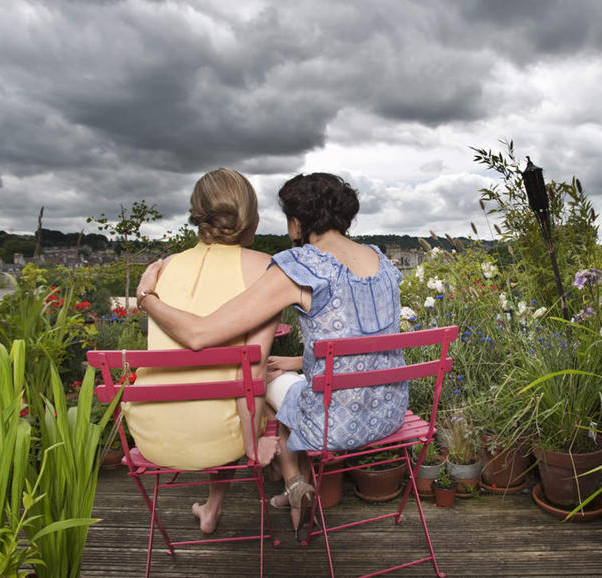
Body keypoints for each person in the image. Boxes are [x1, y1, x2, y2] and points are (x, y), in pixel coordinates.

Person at [136, 172, 407, 537]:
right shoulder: (381, 261)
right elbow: (363, 341)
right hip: (389, 412)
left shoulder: (297, 266)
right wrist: (298, 362)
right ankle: (292, 484)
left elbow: (200, 334)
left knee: (262, 379)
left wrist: (147, 298)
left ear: (297, 221)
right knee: (287, 382)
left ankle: (293, 483)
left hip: (334, 424)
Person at [127, 168, 280, 534]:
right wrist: (253, 446)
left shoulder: (161, 270)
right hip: (221, 430)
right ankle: (291, 486)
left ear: (198, 213)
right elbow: (253, 374)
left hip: (154, 433)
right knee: (264, 392)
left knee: (216, 389)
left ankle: (211, 508)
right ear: (249, 214)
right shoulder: (266, 269)